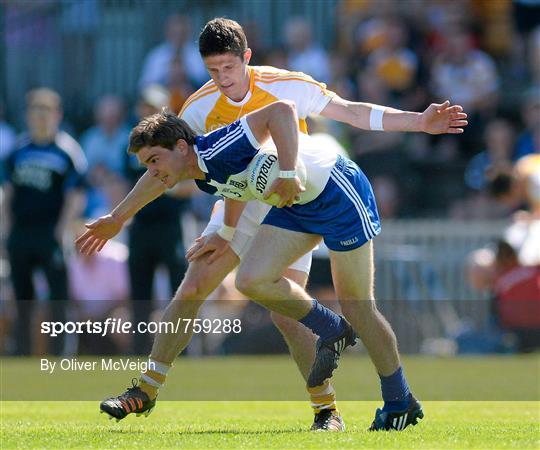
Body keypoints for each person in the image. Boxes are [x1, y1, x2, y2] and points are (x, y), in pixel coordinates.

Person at [76, 18, 467, 431]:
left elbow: (351, 112)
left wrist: (417, 122)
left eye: (229, 67)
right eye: (213, 70)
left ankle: (330, 410)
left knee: (296, 313)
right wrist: (124, 217)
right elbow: (170, 166)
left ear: (247, 57)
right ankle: (147, 388)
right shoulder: (197, 110)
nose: (222, 79)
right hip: (255, 197)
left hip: (298, 186)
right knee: (195, 285)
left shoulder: (285, 85)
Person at [2, 88, 87, 355]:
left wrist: (62, 228)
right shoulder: (18, 150)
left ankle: (58, 355)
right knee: (22, 297)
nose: (40, 118)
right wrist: (6, 227)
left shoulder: (67, 151)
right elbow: (7, 191)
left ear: (57, 115)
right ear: (28, 116)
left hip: (50, 233)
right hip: (22, 232)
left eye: (46, 112)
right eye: (35, 112)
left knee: (57, 298)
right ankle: (23, 354)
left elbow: (76, 195)